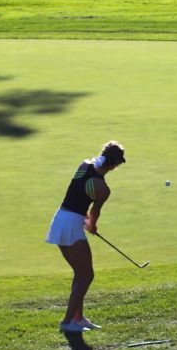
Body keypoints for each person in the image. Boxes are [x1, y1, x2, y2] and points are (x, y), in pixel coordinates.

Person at [44, 141, 126, 333]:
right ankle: (67, 323)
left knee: (80, 273)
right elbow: (94, 212)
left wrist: (86, 220)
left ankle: (78, 318)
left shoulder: (84, 166)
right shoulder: (103, 189)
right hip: (72, 223)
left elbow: (77, 194)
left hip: (61, 218)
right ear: (114, 164)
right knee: (86, 274)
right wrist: (92, 225)